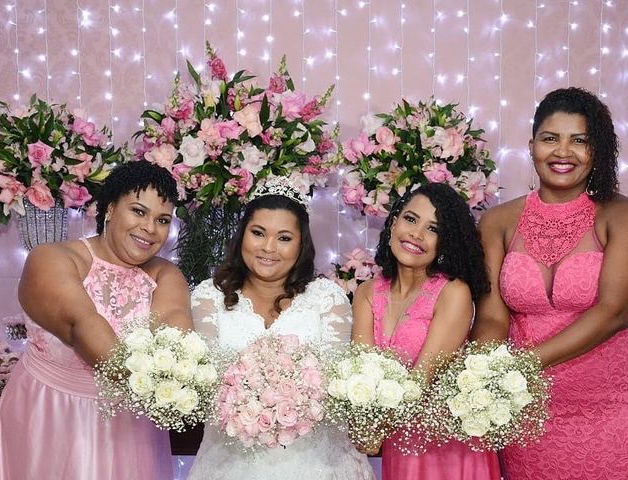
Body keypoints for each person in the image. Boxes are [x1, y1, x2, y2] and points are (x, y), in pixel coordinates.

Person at [0, 160, 192, 480]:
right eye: (138, 211)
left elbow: (175, 333)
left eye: (162, 219)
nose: (151, 228)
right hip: (48, 417)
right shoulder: (52, 258)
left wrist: (180, 380)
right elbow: (81, 325)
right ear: (109, 209)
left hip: (129, 429)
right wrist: (154, 382)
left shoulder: (166, 275)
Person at [473, 87, 628, 479]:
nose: (563, 152)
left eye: (579, 140)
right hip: (528, 415)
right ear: (531, 146)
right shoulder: (497, 222)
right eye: (550, 138)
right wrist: (482, 378)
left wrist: (521, 365)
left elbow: (615, 311)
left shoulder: (619, 215)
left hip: (610, 411)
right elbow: (492, 317)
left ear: (598, 150)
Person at [186, 176, 375, 480]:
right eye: (258, 233)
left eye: (284, 238)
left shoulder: (328, 299)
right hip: (230, 465)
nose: (269, 248)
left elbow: (339, 386)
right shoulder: (208, 297)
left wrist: (292, 394)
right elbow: (203, 384)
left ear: (301, 245)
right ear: (242, 236)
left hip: (318, 466)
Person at [352, 182, 501, 480]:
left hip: (450, 448)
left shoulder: (453, 292)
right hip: (400, 444)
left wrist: (372, 434)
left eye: (433, 229)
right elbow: (363, 374)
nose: (417, 234)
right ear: (393, 223)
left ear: (446, 242)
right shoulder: (367, 292)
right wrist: (365, 428)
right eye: (410, 219)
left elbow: (421, 378)